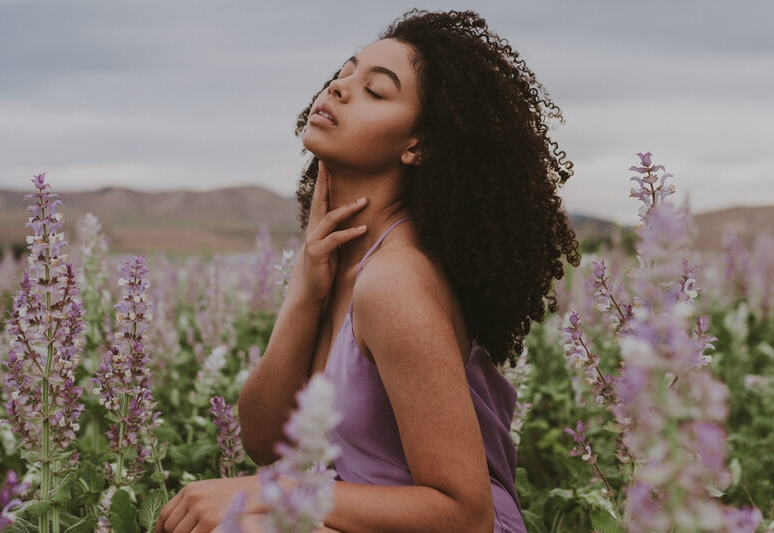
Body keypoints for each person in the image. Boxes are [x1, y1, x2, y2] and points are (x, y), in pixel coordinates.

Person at [156, 9, 580, 533]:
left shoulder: (395, 281)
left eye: (375, 91)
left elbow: (466, 515)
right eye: (345, 73)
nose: (339, 87)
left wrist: (278, 492)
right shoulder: (341, 260)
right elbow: (262, 440)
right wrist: (305, 294)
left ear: (417, 146)